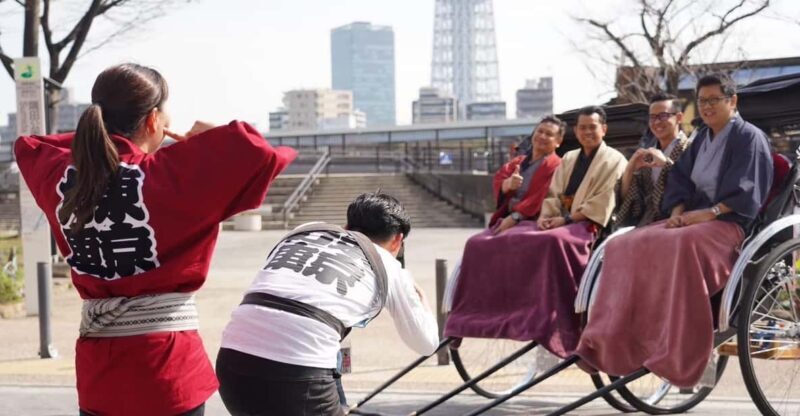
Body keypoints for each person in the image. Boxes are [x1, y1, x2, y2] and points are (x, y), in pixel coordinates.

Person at [14, 63, 297, 416]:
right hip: (168, 369)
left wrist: (99, 134)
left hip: (99, 373)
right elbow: (261, 154)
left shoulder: (64, 177)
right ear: (152, 120)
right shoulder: (170, 174)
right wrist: (211, 139)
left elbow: (29, 145)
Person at [576, 74, 773, 388]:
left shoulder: (749, 137)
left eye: (713, 100)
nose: (706, 107)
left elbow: (746, 194)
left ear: (732, 101)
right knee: (623, 245)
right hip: (692, 220)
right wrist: (679, 212)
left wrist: (706, 214)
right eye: (702, 101)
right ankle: (608, 339)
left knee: (679, 247)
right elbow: (679, 179)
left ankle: (675, 347)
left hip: (728, 224)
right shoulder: (701, 139)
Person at [216, 193, 439, 416]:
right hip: (299, 377)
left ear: (346, 225)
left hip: (231, 366)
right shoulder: (389, 264)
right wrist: (422, 299)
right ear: (398, 240)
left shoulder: (306, 231)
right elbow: (426, 344)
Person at [444, 106, 626, 358]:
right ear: (576, 130)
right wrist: (548, 217)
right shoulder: (570, 158)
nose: (586, 132)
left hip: (585, 223)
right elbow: (551, 195)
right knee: (477, 244)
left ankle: (549, 317)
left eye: (592, 127)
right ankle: (470, 317)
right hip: (557, 220)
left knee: (548, 242)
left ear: (603, 129)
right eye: (582, 127)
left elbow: (603, 201)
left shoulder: (614, 159)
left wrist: (562, 219)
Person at [615, 93, 690, 227]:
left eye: (663, 116)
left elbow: (691, 187)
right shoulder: (648, 155)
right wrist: (630, 168)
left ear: (679, 117)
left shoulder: (691, 148)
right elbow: (630, 199)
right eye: (652, 117)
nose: (656, 122)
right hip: (646, 222)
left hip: (678, 220)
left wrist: (666, 164)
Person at [489, 115, 564, 233]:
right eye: (540, 131)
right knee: (475, 243)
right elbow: (499, 178)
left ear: (558, 142)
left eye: (549, 134)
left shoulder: (558, 165)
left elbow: (541, 196)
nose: (542, 136)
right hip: (507, 216)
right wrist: (508, 184)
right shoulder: (518, 161)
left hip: (534, 220)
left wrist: (516, 216)